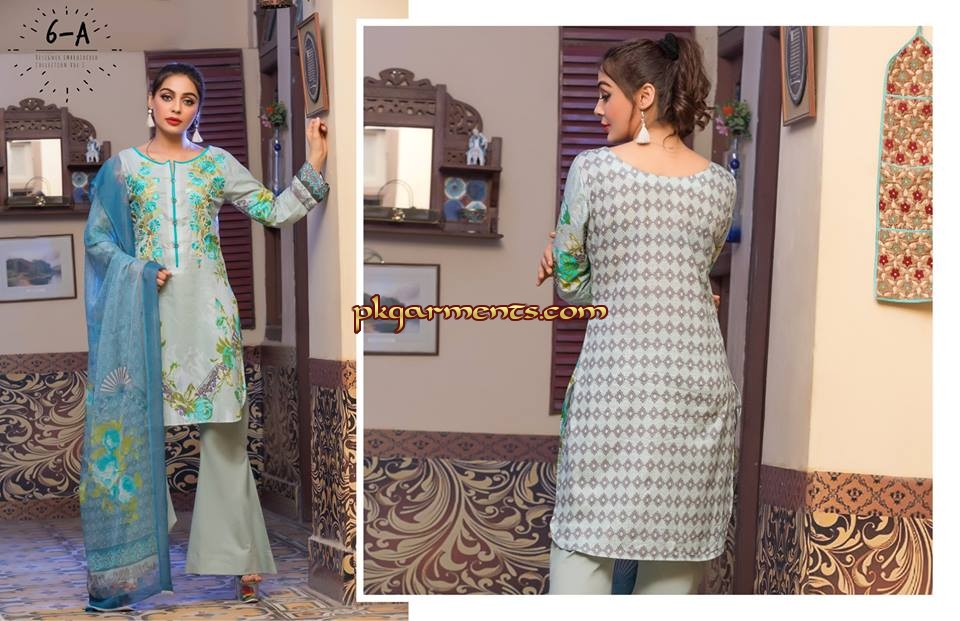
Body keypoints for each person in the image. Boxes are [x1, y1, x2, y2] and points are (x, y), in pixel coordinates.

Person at [80, 62, 329, 611]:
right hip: (150, 316)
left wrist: (314, 160)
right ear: (150, 100)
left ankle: (239, 557)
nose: (176, 107)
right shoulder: (123, 170)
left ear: (198, 109)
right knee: (136, 438)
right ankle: (130, 563)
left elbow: (272, 210)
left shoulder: (216, 164)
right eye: (167, 96)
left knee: (226, 440)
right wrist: (138, 270)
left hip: (211, 318)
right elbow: (97, 241)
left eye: (188, 99)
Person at [536, 33, 740, 594]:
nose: (596, 109)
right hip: (694, 398)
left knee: (584, 554)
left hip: (616, 392)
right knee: (672, 573)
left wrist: (563, 255)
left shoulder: (593, 171)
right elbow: (691, 277)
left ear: (644, 96)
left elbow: (574, 291)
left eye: (605, 95)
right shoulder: (720, 186)